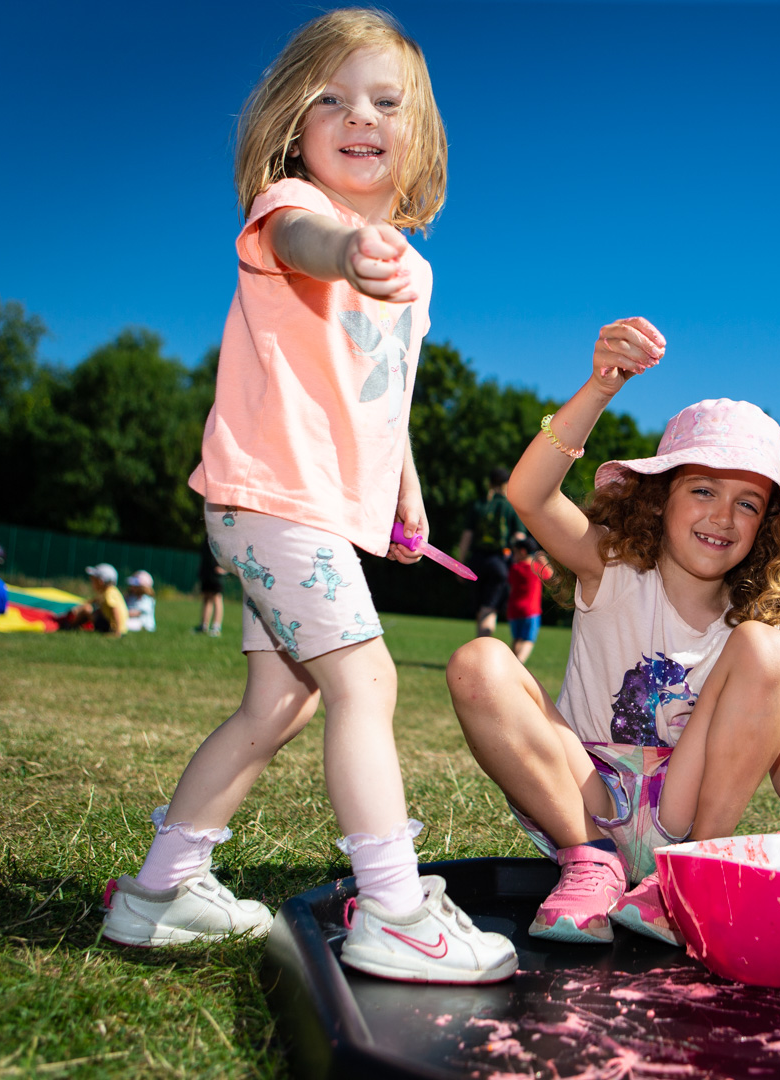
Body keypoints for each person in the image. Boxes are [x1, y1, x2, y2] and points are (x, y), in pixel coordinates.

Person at [100, 9, 515, 985]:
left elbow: (382, 402)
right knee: (365, 683)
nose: (356, 114)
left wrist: (400, 500)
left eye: (384, 100)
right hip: (273, 499)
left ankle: (162, 891)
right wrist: (344, 250)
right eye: (330, 95)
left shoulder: (414, 269)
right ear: (294, 122)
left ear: (419, 137)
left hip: (312, 509)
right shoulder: (287, 205)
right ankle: (398, 912)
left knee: (276, 705)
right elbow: (303, 240)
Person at [446, 318, 780, 948]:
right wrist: (599, 388)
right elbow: (528, 494)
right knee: (480, 661)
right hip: (583, 795)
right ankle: (587, 865)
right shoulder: (609, 566)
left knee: (767, 644)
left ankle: (692, 875)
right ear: (660, 497)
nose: (723, 515)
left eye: (747, 503)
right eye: (702, 490)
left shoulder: (748, 637)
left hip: (683, 812)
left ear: (765, 528)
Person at [457, 467, 525, 637]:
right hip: (499, 563)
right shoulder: (510, 507)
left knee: (480, 609)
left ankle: (479, 645)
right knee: (489, 609)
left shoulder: (479, 504)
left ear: (489, 482)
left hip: (476, 562)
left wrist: (460, 562)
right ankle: (482, 649)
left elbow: (466, 537)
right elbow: (519, 536)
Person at [506, 537, 553, 664]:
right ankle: (518, 663)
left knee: (516, 638)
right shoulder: (537, 568)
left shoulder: (515, 568)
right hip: (530, 611)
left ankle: (511, 663)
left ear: (522, 552)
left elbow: (510, 583)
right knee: (528, 640)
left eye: (515, 552)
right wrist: (543, 560)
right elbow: (550, 575)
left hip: (514, 609)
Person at [61, 564, 129, 636]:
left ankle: (70, 626)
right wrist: (77, 608)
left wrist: (117, 632)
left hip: (112, 628)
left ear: (101, 581)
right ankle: (72, 625)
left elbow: (115, 610)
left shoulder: (110, 594)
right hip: (114, 626)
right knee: (88, 608)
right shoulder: (109, 591)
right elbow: (95, 600)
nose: (92, 583)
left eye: (93, 580)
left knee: (87, 609)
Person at [196, 547, 227, 636]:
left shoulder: (220, 535)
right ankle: (203, 626)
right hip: (207, 571)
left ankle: (216, 627)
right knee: (206, 597)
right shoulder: (208, 536)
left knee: (217, 598)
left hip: (216, 573)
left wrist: (224, 567)